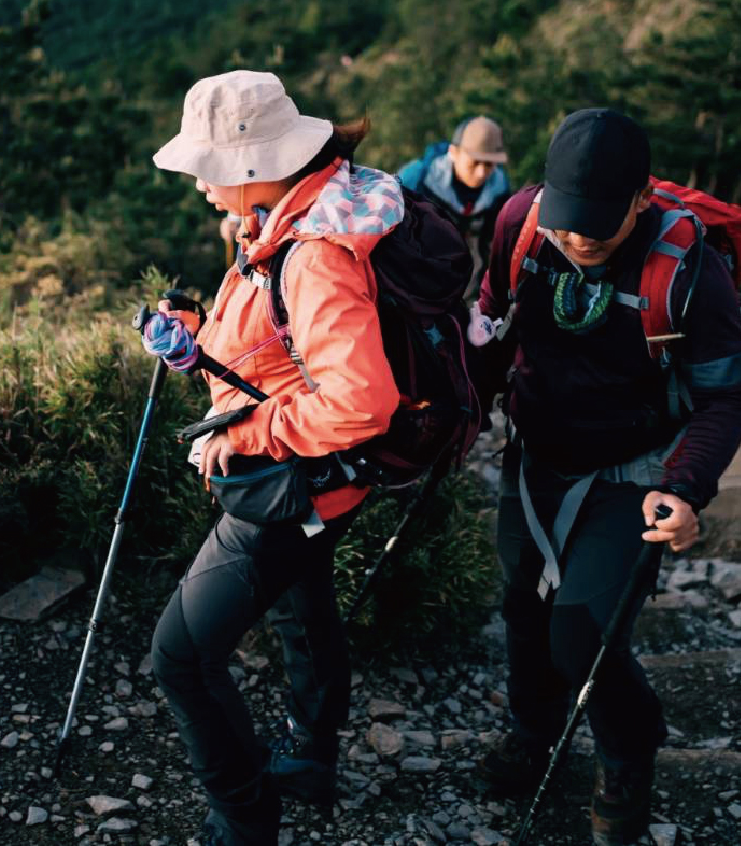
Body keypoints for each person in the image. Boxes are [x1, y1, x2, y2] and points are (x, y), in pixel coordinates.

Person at [471, 108, 741, 845]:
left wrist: (686, 487)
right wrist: (460, 406)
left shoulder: (688, 269)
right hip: (536, 457)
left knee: (582, 633)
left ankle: (628, 757)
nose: (579, 236)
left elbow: (725, 396)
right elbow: (493, 326)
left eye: (599, 221)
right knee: (523, 610)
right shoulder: (520, 227)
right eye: (567, 221)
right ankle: (534, 735)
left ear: (640, 199)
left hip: (635, 471)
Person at [143, 70, 402, 846]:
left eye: (209, 172)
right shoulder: (299, 212)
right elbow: (280, 343)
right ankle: (312, 763)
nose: (201, 188)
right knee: (303, 610)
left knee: (180, 659)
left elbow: (361, 400)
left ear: (255, 167)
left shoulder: (315, 250)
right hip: (320, 486)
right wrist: (199, 333)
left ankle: (245, 820)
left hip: (295, 486)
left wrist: (239, 436)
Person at [398, 116, 512, 296]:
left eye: (489, 164)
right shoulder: (417, 179)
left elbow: (494, 247)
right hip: (413, 286)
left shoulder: (499, 188)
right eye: (474, 162)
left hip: (467, 290)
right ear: (454, 152)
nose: (481, 172)